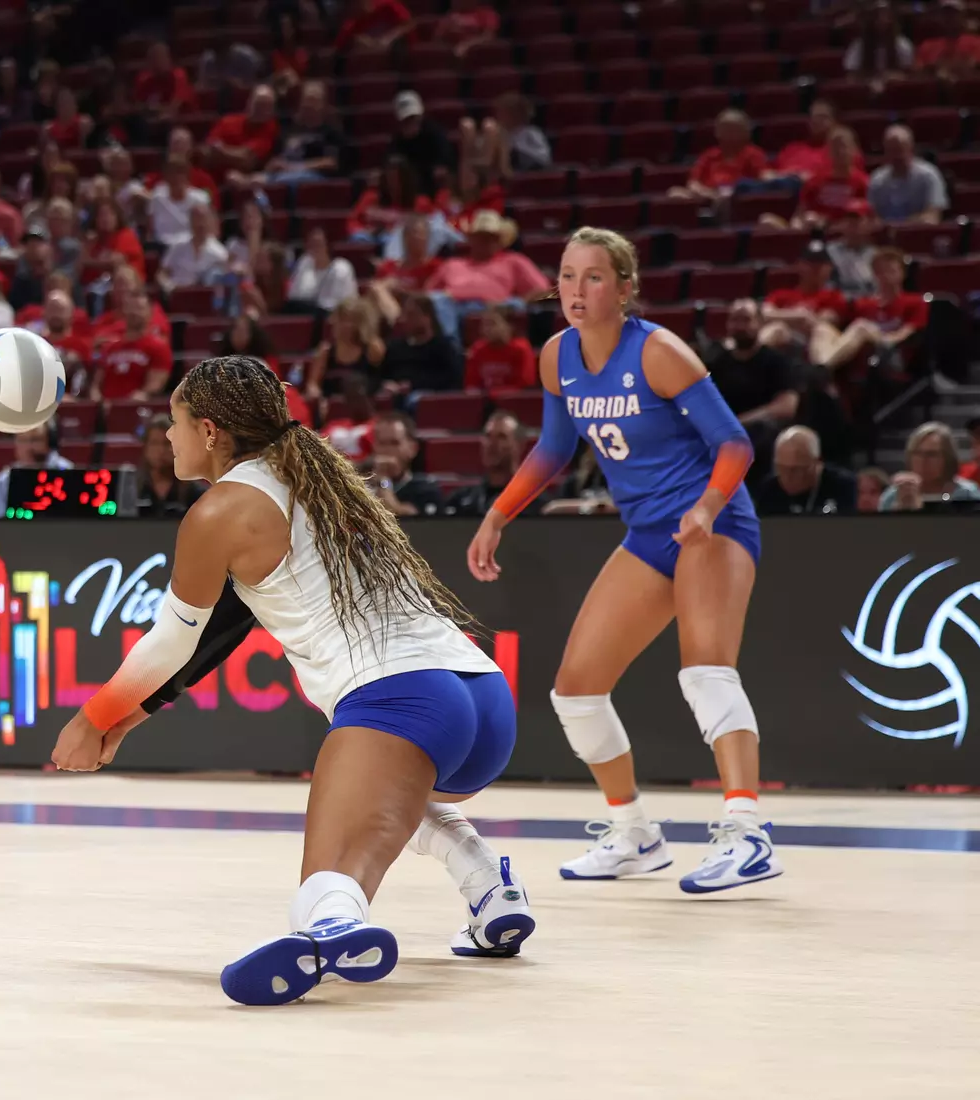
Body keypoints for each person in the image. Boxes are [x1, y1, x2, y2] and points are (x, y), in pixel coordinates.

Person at [51, 355, 531, 1006]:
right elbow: (223, 629)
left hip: (403, 702)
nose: (167, 438)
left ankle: (332, 926)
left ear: (211, 430)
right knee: (386, 797)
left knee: (331, 882)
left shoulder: (222, 509)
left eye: (174, 422)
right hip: (480, 697)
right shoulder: (317, 475)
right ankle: (487, 885)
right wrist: (128, 719)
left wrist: (92, 718)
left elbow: (172, 642)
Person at [467, 226, 783, 894]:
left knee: (704, 671)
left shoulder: (660, 353)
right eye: (565, 276)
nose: (575, 291)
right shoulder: (556, 356)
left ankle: (746, 833)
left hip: (712, 523)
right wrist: (498, 513)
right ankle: (634, 833)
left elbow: (735, 445)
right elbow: (553, 450)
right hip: (647, 534)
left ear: (624, 287)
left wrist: (704, 508)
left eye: (592, 277)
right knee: (575, 691)